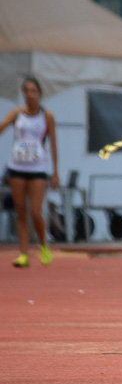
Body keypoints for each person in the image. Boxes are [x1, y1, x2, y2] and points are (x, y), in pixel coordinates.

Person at [0, 77, 59, 268]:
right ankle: (23, 254)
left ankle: (43, 244)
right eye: (27, 91)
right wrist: (9, 119)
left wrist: (55, 172)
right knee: (21, 211)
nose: (30, 95)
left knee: (35, 211)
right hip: (17, 166)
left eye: (34, 91)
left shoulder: (46, 116)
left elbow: (54, 144)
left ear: (39, 94)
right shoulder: (17, 114)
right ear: (23, 94)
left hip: (37, 168)